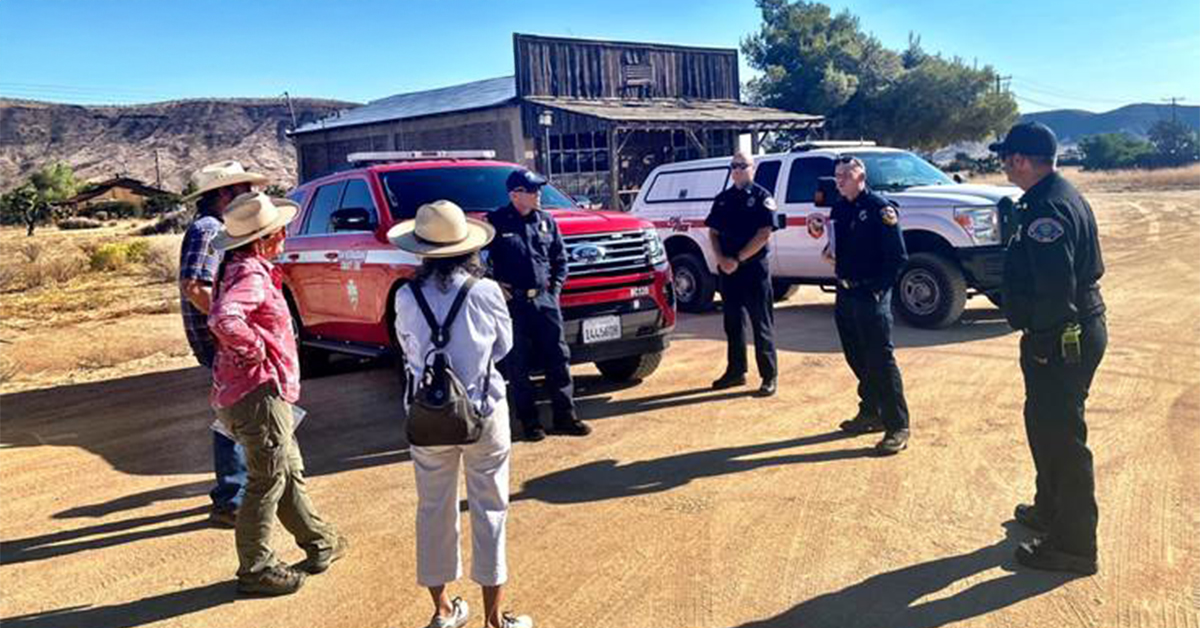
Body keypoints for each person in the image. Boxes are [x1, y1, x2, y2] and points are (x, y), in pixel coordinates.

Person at [390, 200, 534, 628]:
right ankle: (493, 619)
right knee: (490, 508)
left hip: (425, 417)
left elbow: (406, 347)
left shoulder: (405, 295)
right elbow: (503, 347)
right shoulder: (485, 292)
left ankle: (442, 609)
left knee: (433, 508)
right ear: (468, 248)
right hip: (482, 411)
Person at [209, 192, 347, 596]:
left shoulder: (239, 269)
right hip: (258, 392)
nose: (285, 234)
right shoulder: (250, 274)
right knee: (268, 478)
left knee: (286, 471)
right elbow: (225, 318)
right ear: (263, 239)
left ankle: (320, 542)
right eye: (278, 230)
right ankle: (255, 567)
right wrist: (257, 352)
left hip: (253, 391)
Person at [991, 122, 1106, 575]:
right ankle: (1049, 508)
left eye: (1005, 156)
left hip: (1061, 336)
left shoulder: (1046, 211)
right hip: (1067, 329)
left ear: (1021, 160)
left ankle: (1075, 546)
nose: (1002, 163)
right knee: (1044, 424)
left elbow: (1057, 289)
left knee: (1063, 439)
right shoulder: (1056, 195)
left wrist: (1042, 343)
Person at [178, 160, 265, 528]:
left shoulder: (213, 227)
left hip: (219, 338)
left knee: (232, 414)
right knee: (233, 417)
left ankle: (234, 494)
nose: (250, 195)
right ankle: (232, 498)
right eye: (242, 189)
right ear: (224, 194)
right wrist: (228, 324)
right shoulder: (209, 229)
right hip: (220, 341)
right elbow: (195, 284)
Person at [485, 169, 589, 441]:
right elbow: (479, 262)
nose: (538, 194)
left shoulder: (546, 221)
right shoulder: (494, 222)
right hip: (514, 305)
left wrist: (554, 290)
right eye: (532, 191)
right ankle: (530, 423)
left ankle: (566, 417)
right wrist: (494, 285)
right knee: (518, 364)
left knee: (558, 358)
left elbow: (560, 260)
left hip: (545, 301)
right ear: (514, 195)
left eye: (538, 190)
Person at [827, 156, 911, 455]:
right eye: (837, 176)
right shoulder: (839, 208)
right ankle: (871, 411)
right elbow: (837, 245)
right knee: (856, 356)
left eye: (844, 176)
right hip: (846, 291)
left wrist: (878, 291)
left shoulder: (879, 209)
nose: (839, 181)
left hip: (871, 293)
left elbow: (897, 258)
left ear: (860, 177)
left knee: (880, 359)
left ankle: (897, 425)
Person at [706, 151, 779, 397]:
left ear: (753, 168)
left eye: (742, 166)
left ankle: (768, 377)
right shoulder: (723, 199)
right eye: (733, 166)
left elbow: (764, 234)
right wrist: (721, 259)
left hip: (753, 270)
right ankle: (735, 372)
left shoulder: (762, 197)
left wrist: (737, 259)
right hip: (728, 271)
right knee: (732, 323)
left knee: (762, 324)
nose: (737, 170)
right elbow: (713, 232)